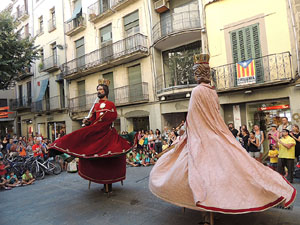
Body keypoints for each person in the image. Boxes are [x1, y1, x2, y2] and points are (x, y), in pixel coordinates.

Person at [149, 53, 296, 216]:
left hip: (202, 136)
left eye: (196, 72)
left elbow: (192, 116)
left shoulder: (197, 91)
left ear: (198, 74)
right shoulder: (212, 92)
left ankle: (203, 205)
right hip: (216, 134)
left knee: (188, 168)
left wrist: (186, 133)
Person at [48, 79, 132, 193]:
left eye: (101, 89)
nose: (99, 91)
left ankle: (109, 183)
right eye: (98, 90)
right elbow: (92, 119)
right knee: (81, 136)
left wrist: (99, 121)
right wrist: (88, 121)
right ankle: (63, 149)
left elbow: (112, 117)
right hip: (96, 130)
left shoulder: (110, 104)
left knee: (108, 156)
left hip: (106, 132)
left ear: (106, 91)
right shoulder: (96, 106)